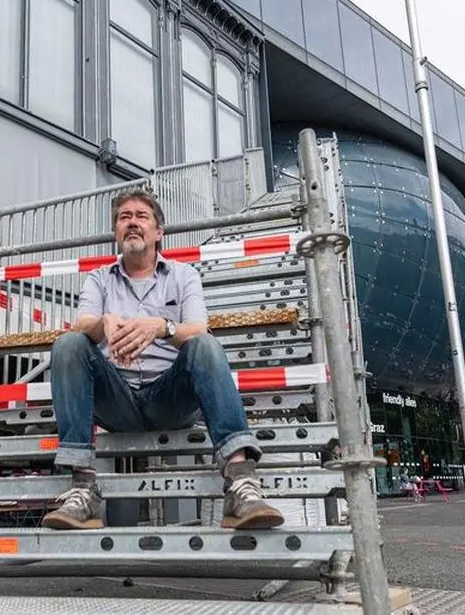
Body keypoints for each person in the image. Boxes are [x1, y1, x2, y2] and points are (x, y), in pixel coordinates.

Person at [40, 189, 285, 531]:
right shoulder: (99, 278)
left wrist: (162, 327)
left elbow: (198, 329)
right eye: (124, 217)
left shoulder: (184, 276)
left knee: (205, 344)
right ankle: (83, 489)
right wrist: (103, 323)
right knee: (69, 343)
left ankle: (240, 483)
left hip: (170, 398)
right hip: (118, 399)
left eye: (142, 216)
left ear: (159, 232)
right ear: (116, 233)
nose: (132, 223)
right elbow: (82, 325)